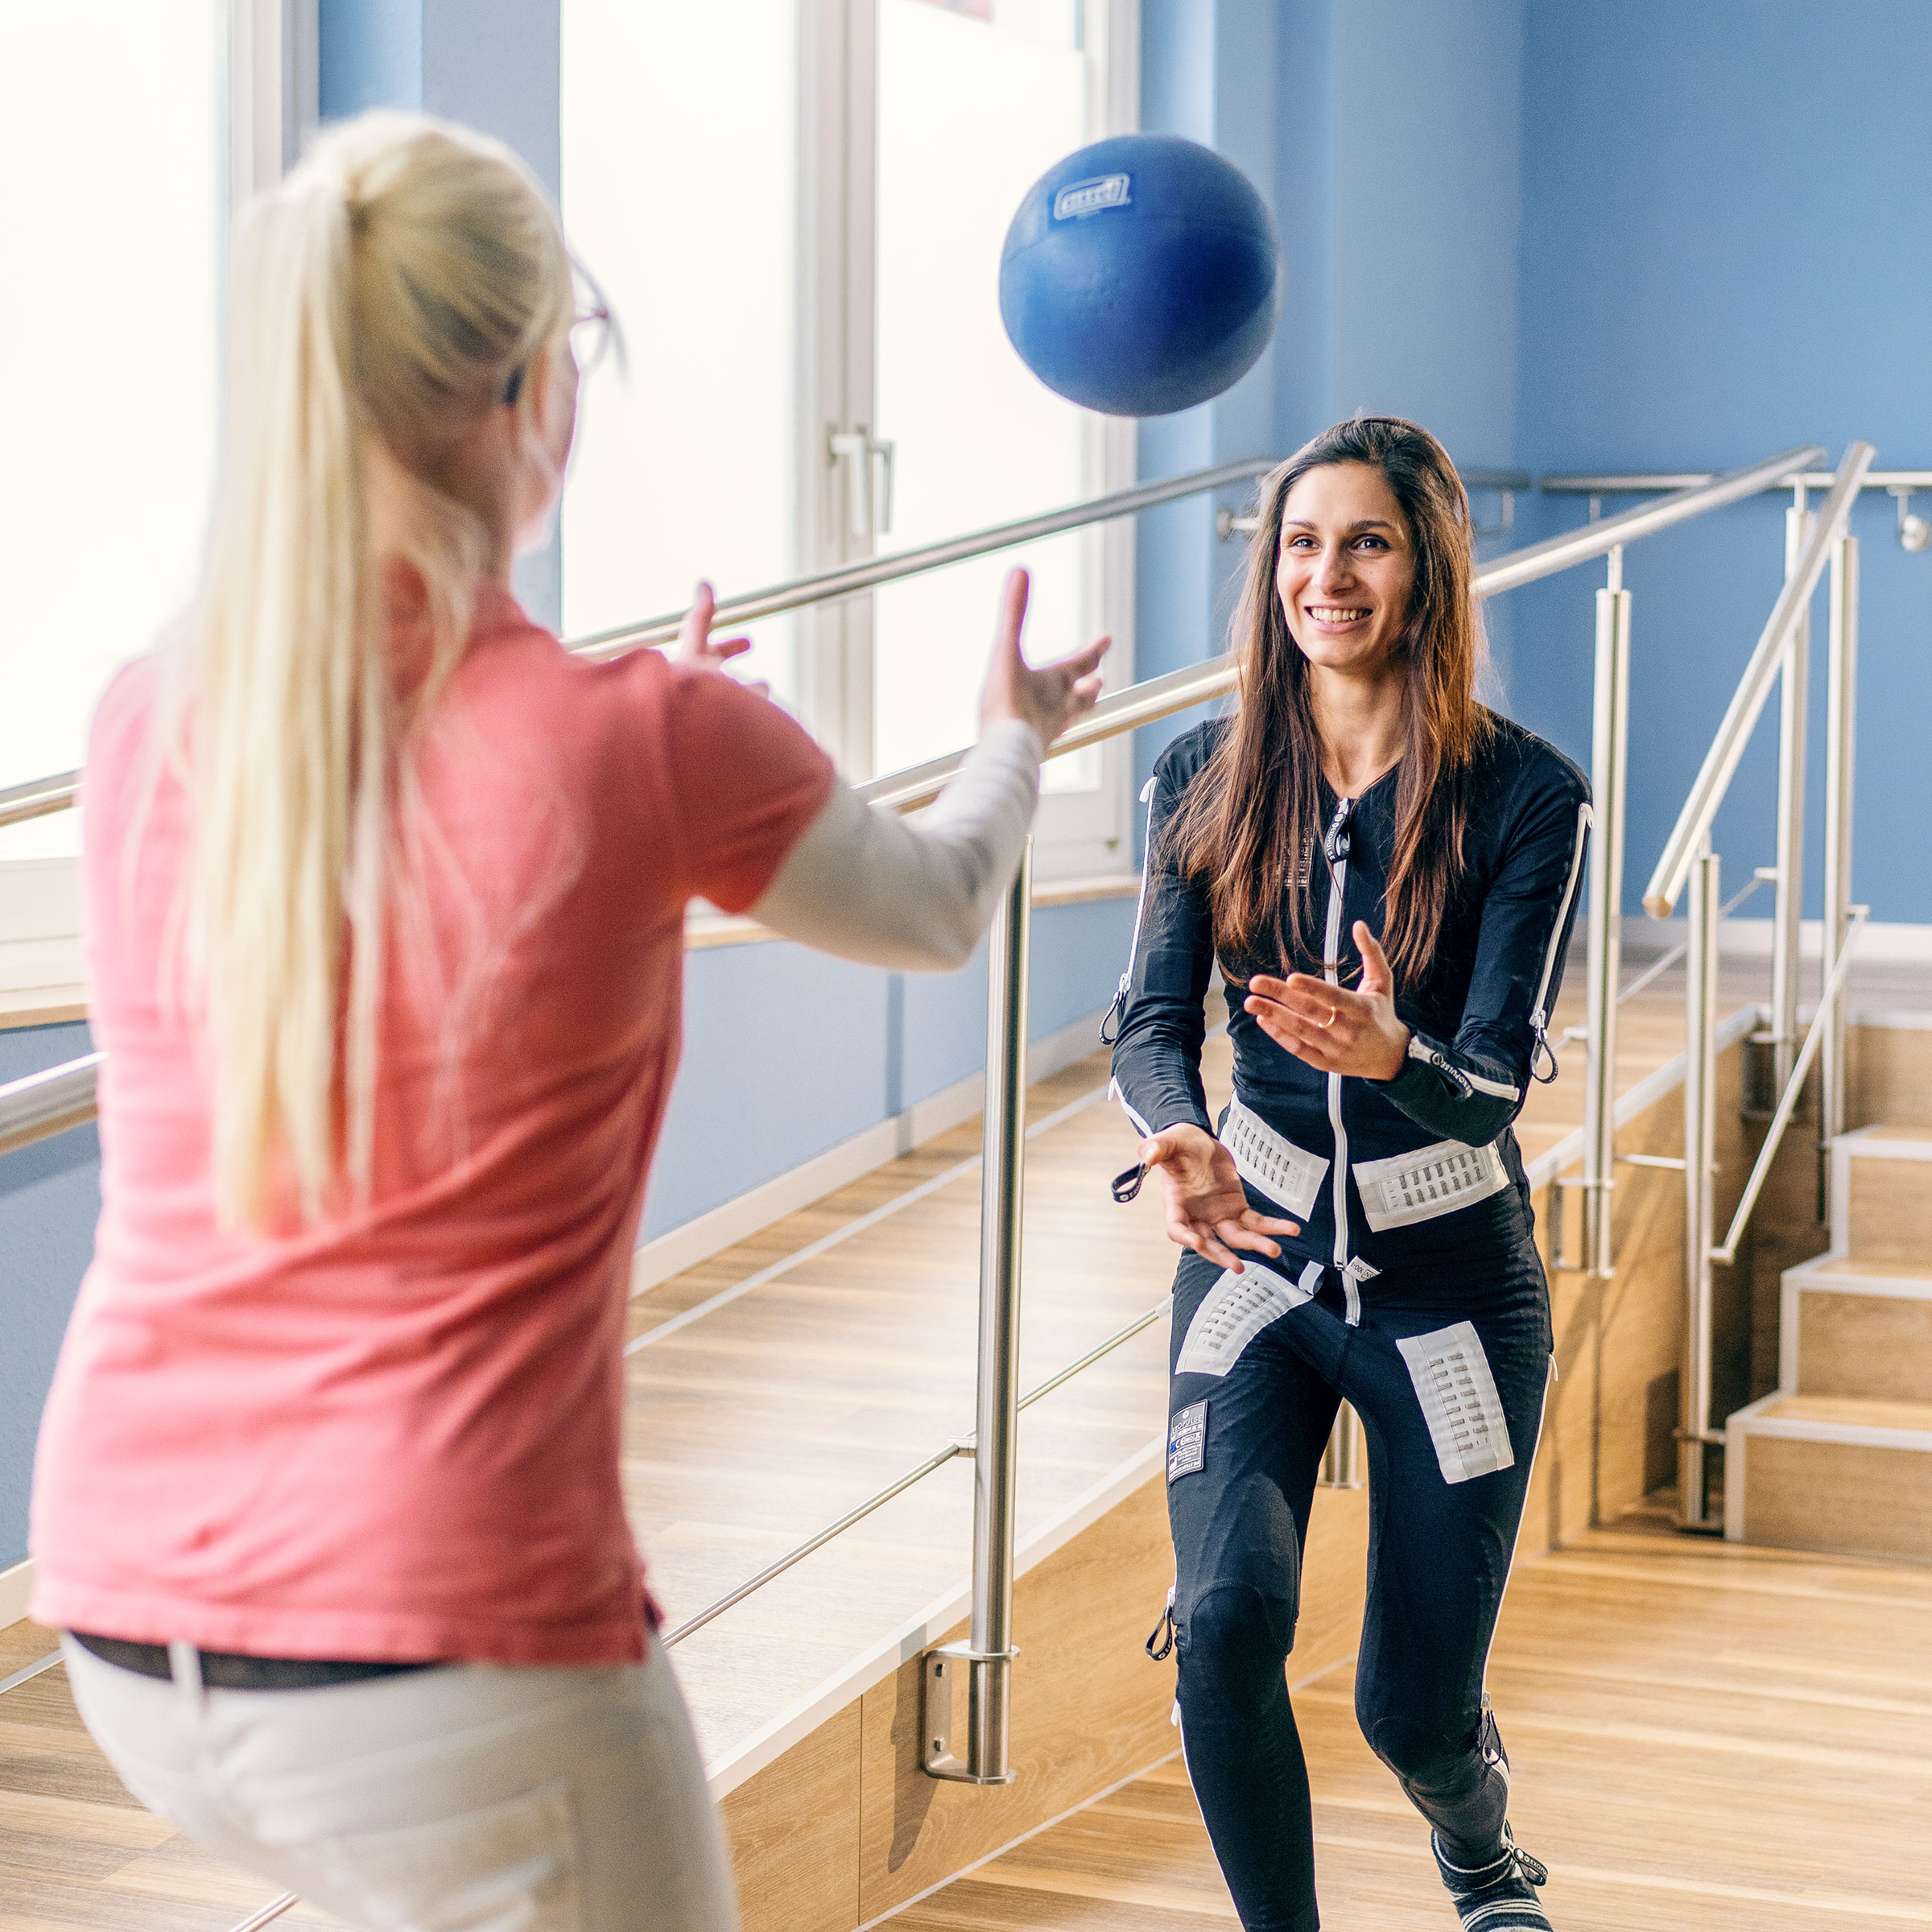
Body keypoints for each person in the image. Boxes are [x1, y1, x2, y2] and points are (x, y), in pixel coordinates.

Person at [27, 112, 1106, 1932]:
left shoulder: (153, 714)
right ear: (536, 380)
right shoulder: (642, 743)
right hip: (442, 1660)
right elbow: (932, 908)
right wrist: (1015, 734)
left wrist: (666, 754)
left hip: (126, 1624)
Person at [1108, 415, 1590, 1932]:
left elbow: (1495, 1087)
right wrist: (1171, 1131)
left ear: (1429, 568)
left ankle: (1479, 1845)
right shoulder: (1203, 770)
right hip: (1254, 1261)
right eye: (1304, 543)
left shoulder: (1526, 798)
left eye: (1367, 541)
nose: (1329, 573)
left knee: (1412, 1715)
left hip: (1449, 1290)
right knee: (1232, 1620)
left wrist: (1398, 1059)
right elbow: (1147, 1018)